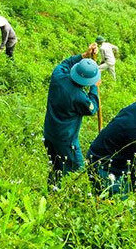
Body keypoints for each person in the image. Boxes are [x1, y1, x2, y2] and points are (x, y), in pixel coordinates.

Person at [43, 44, 101, 190]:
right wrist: (94, 86)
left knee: (56, 166)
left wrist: (84, 55)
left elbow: (66, 63)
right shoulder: (79, 98)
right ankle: (67, 197)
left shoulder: (58, 75)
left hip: (49, 133)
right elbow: (93, 107)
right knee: (77, 170)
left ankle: (52, 190)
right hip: (66, 140)